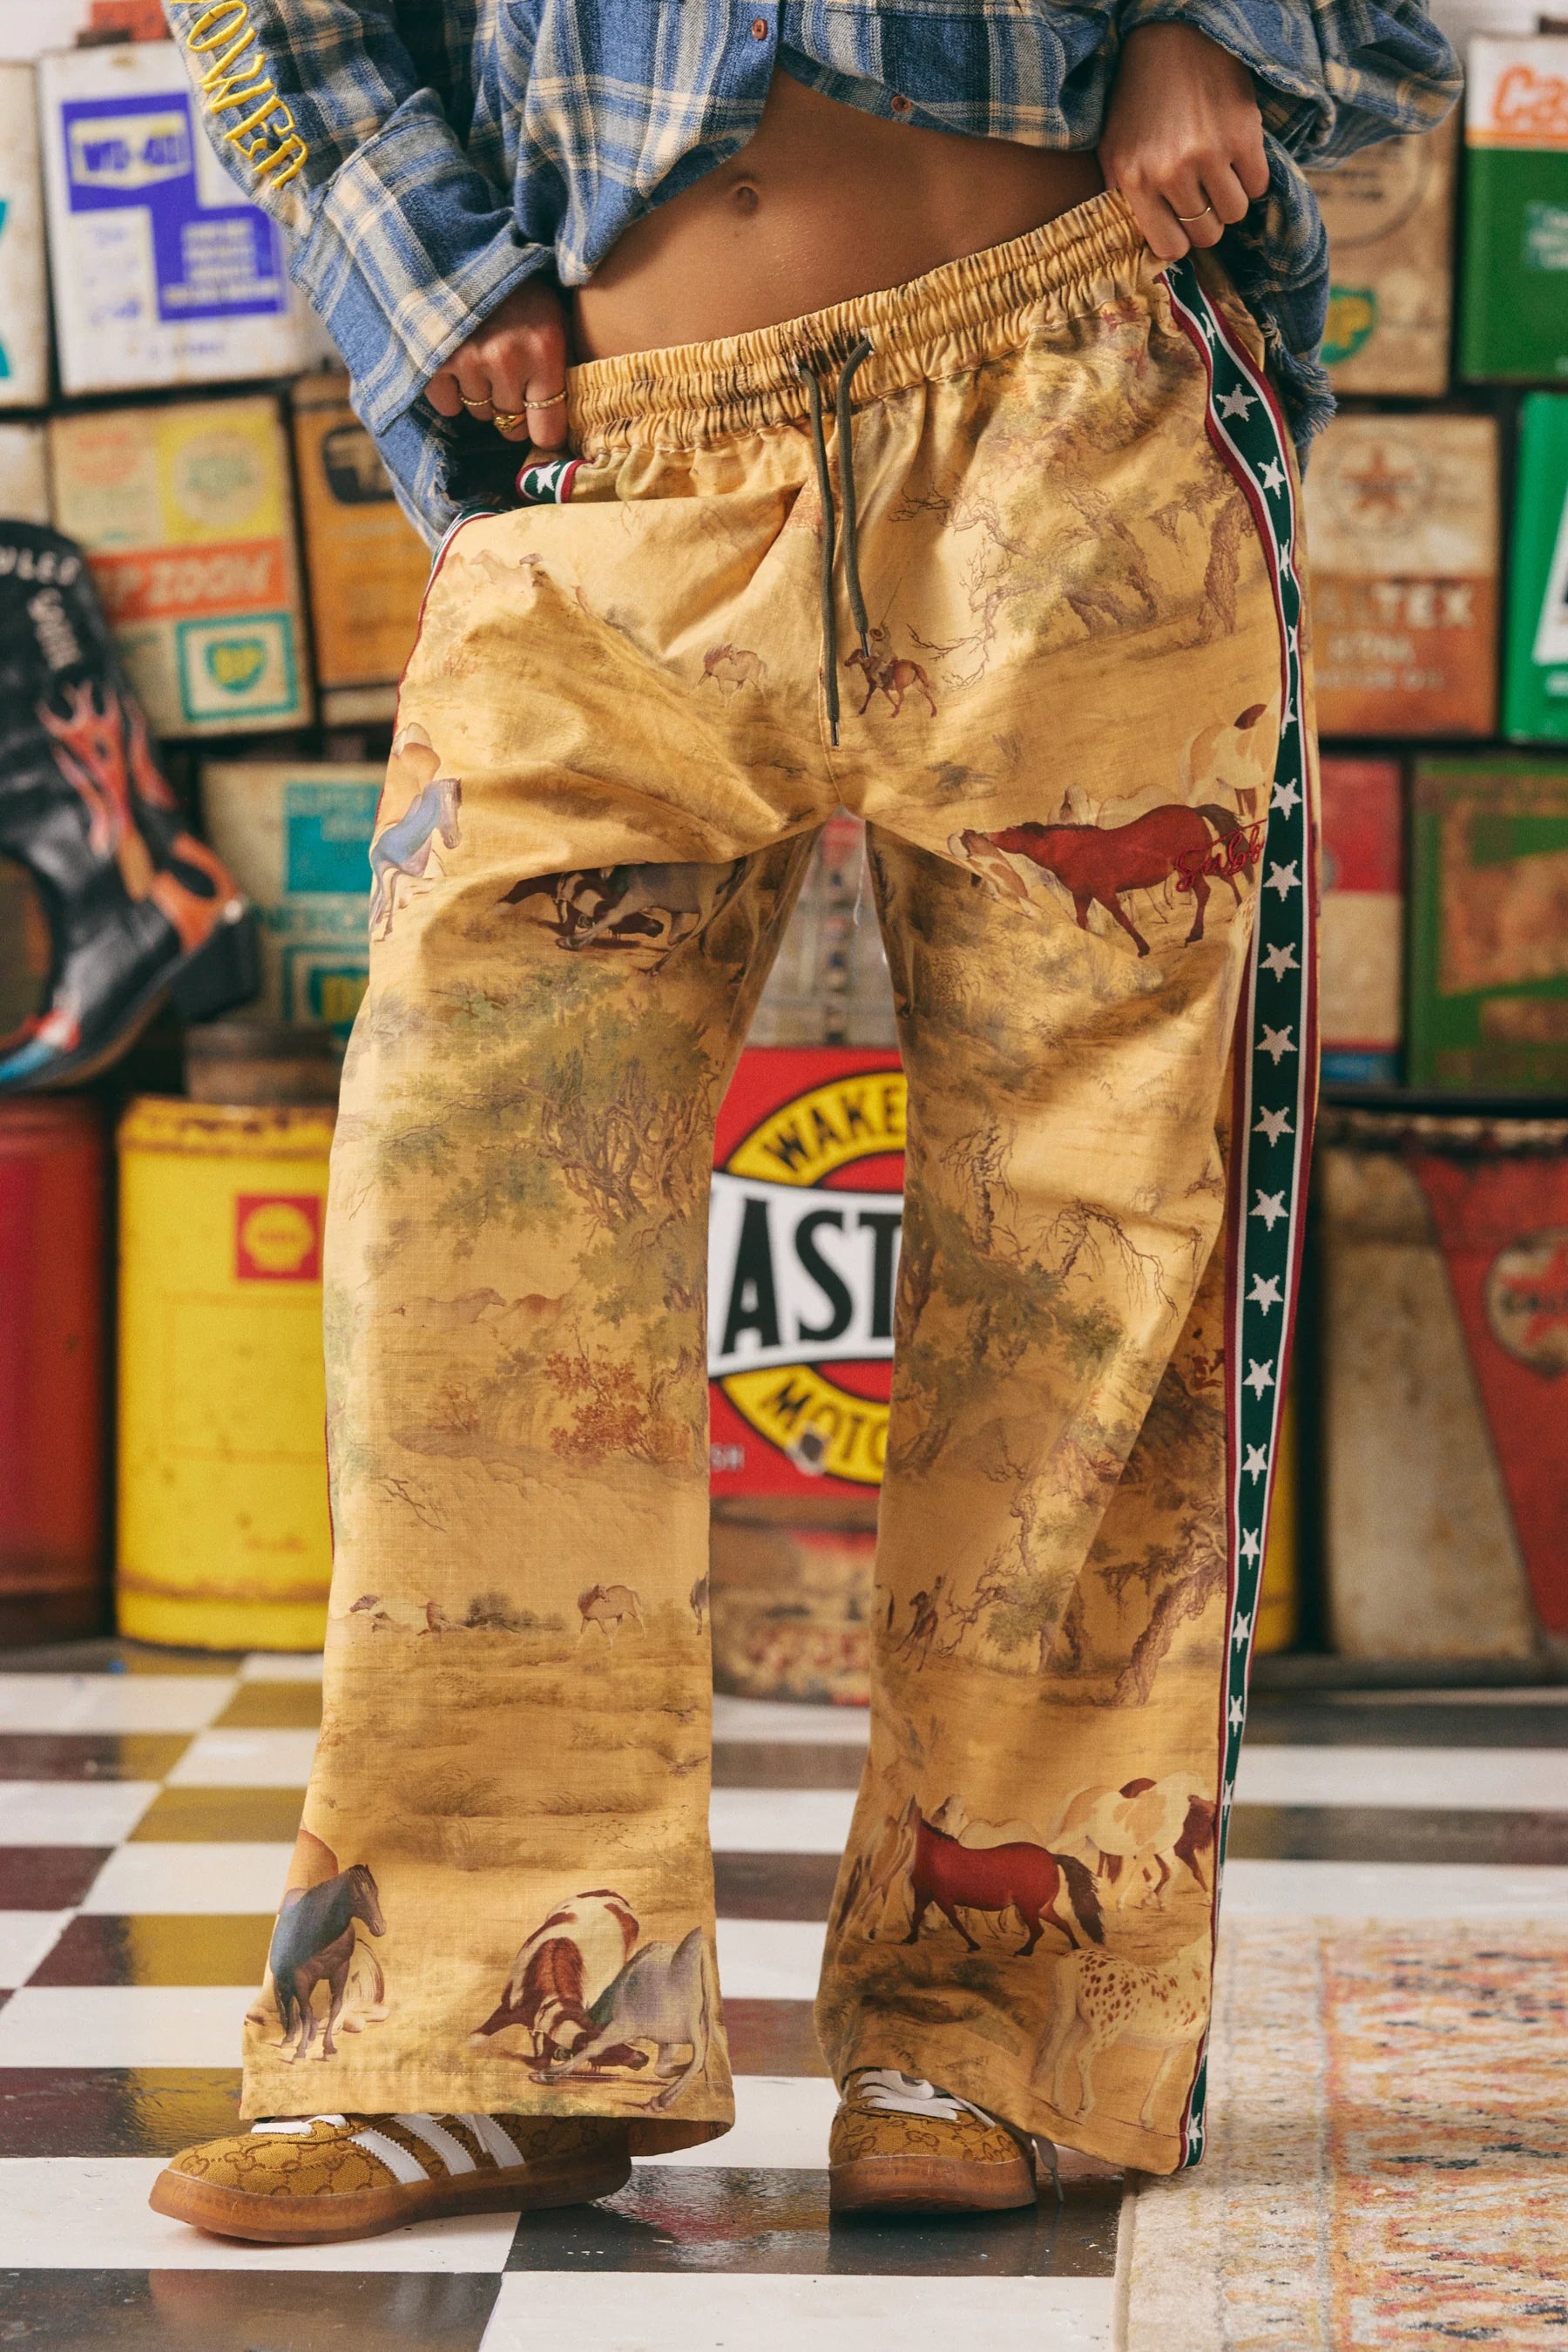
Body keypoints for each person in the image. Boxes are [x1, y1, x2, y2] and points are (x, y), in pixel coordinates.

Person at [152, 0, 1457, 2246]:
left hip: (1075, 381)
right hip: (610, 457)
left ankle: (996, 2032)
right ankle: (484, 2035)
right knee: (470, 1256)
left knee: (1089, 1263)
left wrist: (1219, 30)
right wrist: (436, 274)